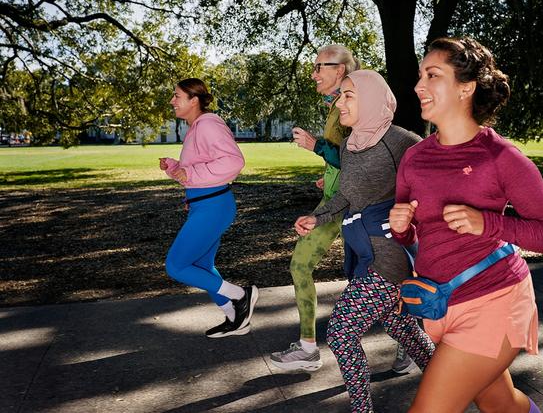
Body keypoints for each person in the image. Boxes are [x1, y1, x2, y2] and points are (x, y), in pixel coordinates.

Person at [389, 37, 543, 413]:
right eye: (421, 75)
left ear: (466, 87)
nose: (419, 85)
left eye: (433, 75)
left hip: (494, 301)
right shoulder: (414, 158)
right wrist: (402, 227)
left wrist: (489, 223)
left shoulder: (500, 157)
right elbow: (411, 235)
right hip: (439, 305)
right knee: (502, 404)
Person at [294, 70, 435, 412]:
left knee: (341, 333)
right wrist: (319, 217)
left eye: (347, 95)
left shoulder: (401, 140)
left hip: (389, 257)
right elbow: (346, 194)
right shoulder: (351, 144)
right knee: (401, 327)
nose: (338, 102)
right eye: (340, 95)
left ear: (371, 100)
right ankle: (454, 380)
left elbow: (438, 175)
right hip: (363, 256)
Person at [270, 45, 358, 371]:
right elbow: (344, 159)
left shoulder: (352, 104)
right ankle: (307, 347)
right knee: (300, 264)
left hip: (355, 202)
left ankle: (411, 339)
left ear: (341, 70)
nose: (314, 73)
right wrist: (328, 175)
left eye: (320, 66)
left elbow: (356, 156)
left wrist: (315, 145)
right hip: (335, 200)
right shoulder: (335, 104)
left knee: (369, 277)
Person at [160, 78, 258, 339]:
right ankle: (235, 319)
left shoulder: (208, 124)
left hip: (214, 206)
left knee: (177, 266)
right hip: (204, 205)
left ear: (194, 100)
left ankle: (241, 295)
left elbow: (233, 162)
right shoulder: (196, 128)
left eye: (176, 95)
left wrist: (188, 172)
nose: (172, 100)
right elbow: (196, 169)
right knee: (202, 265)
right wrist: (174, 167)